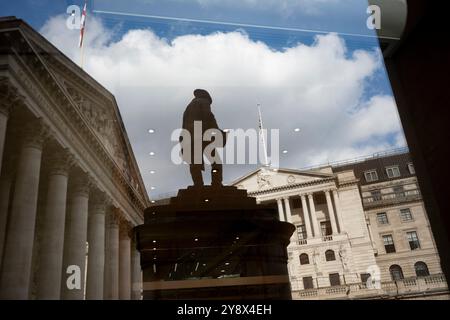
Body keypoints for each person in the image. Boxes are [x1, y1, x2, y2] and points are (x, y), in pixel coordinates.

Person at [179, 89, 226, 187]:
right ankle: (216, 183)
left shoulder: (188, 107)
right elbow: (208, 117)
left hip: (189, 138)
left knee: (194, 164)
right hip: (203, 135)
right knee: (215, 161)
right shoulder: (204, 102)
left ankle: (198, 184)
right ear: (207, 98)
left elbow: (184, 125)